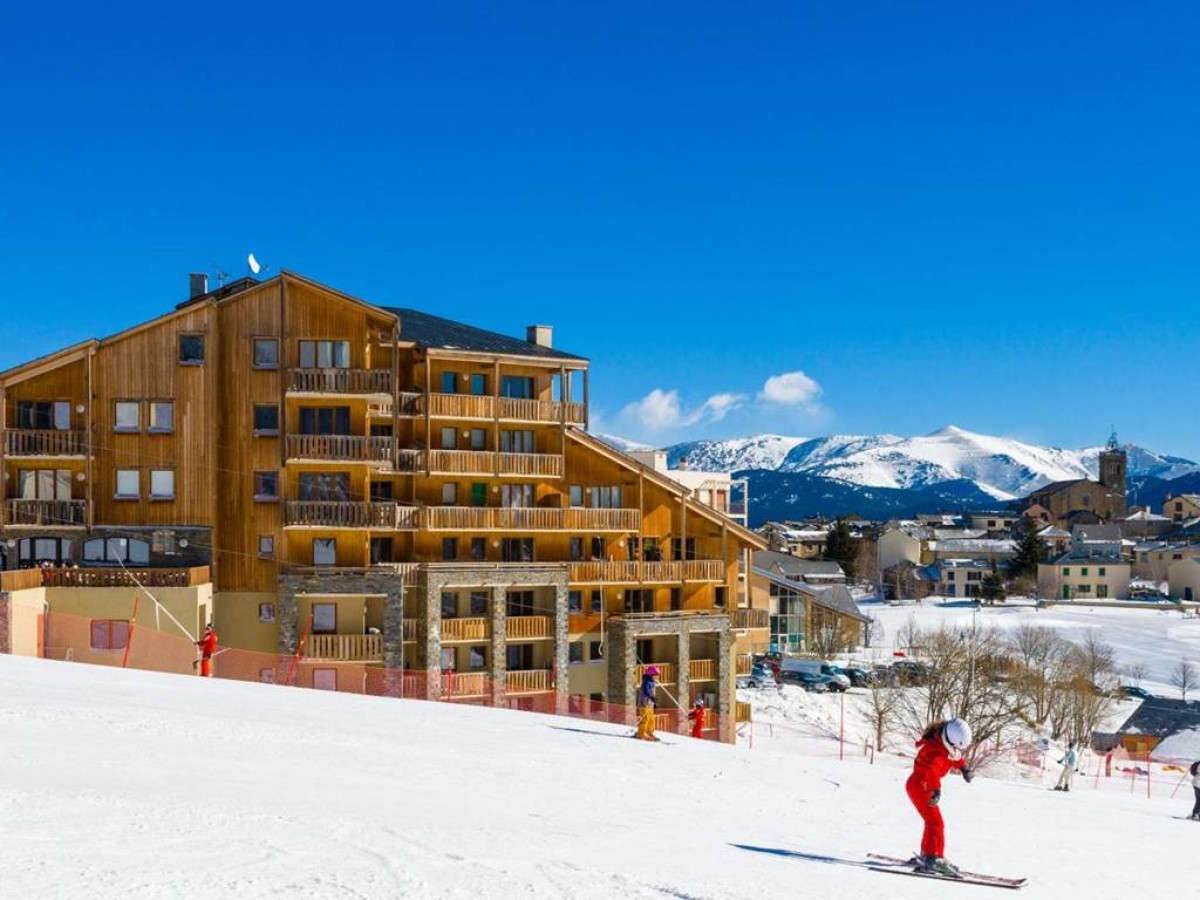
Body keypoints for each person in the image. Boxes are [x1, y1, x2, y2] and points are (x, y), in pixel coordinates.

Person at [906, 717, 974, 877]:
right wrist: (935, 790)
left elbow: (954, 756)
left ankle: (927, 855)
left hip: (921, 786)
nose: (957, 749)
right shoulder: (935, 751)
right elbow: (931, 771)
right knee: (936, 823)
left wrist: (963, 768)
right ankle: (933, 858)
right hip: (921, 787)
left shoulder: (944, 743)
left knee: (932, 822)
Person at [635, 666, 659, 741]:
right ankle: (641, 733)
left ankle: (649, 732)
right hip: (644, 703)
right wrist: (651, 697)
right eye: (655, 675)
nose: (656, 677)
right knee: (645, 719)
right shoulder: (646, 682)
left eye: (657, 675)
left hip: (650, 704)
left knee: (651, 719)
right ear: (651, 675)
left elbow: (652, 693)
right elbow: (646, 691)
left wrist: (654, 702)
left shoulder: (652, 682)